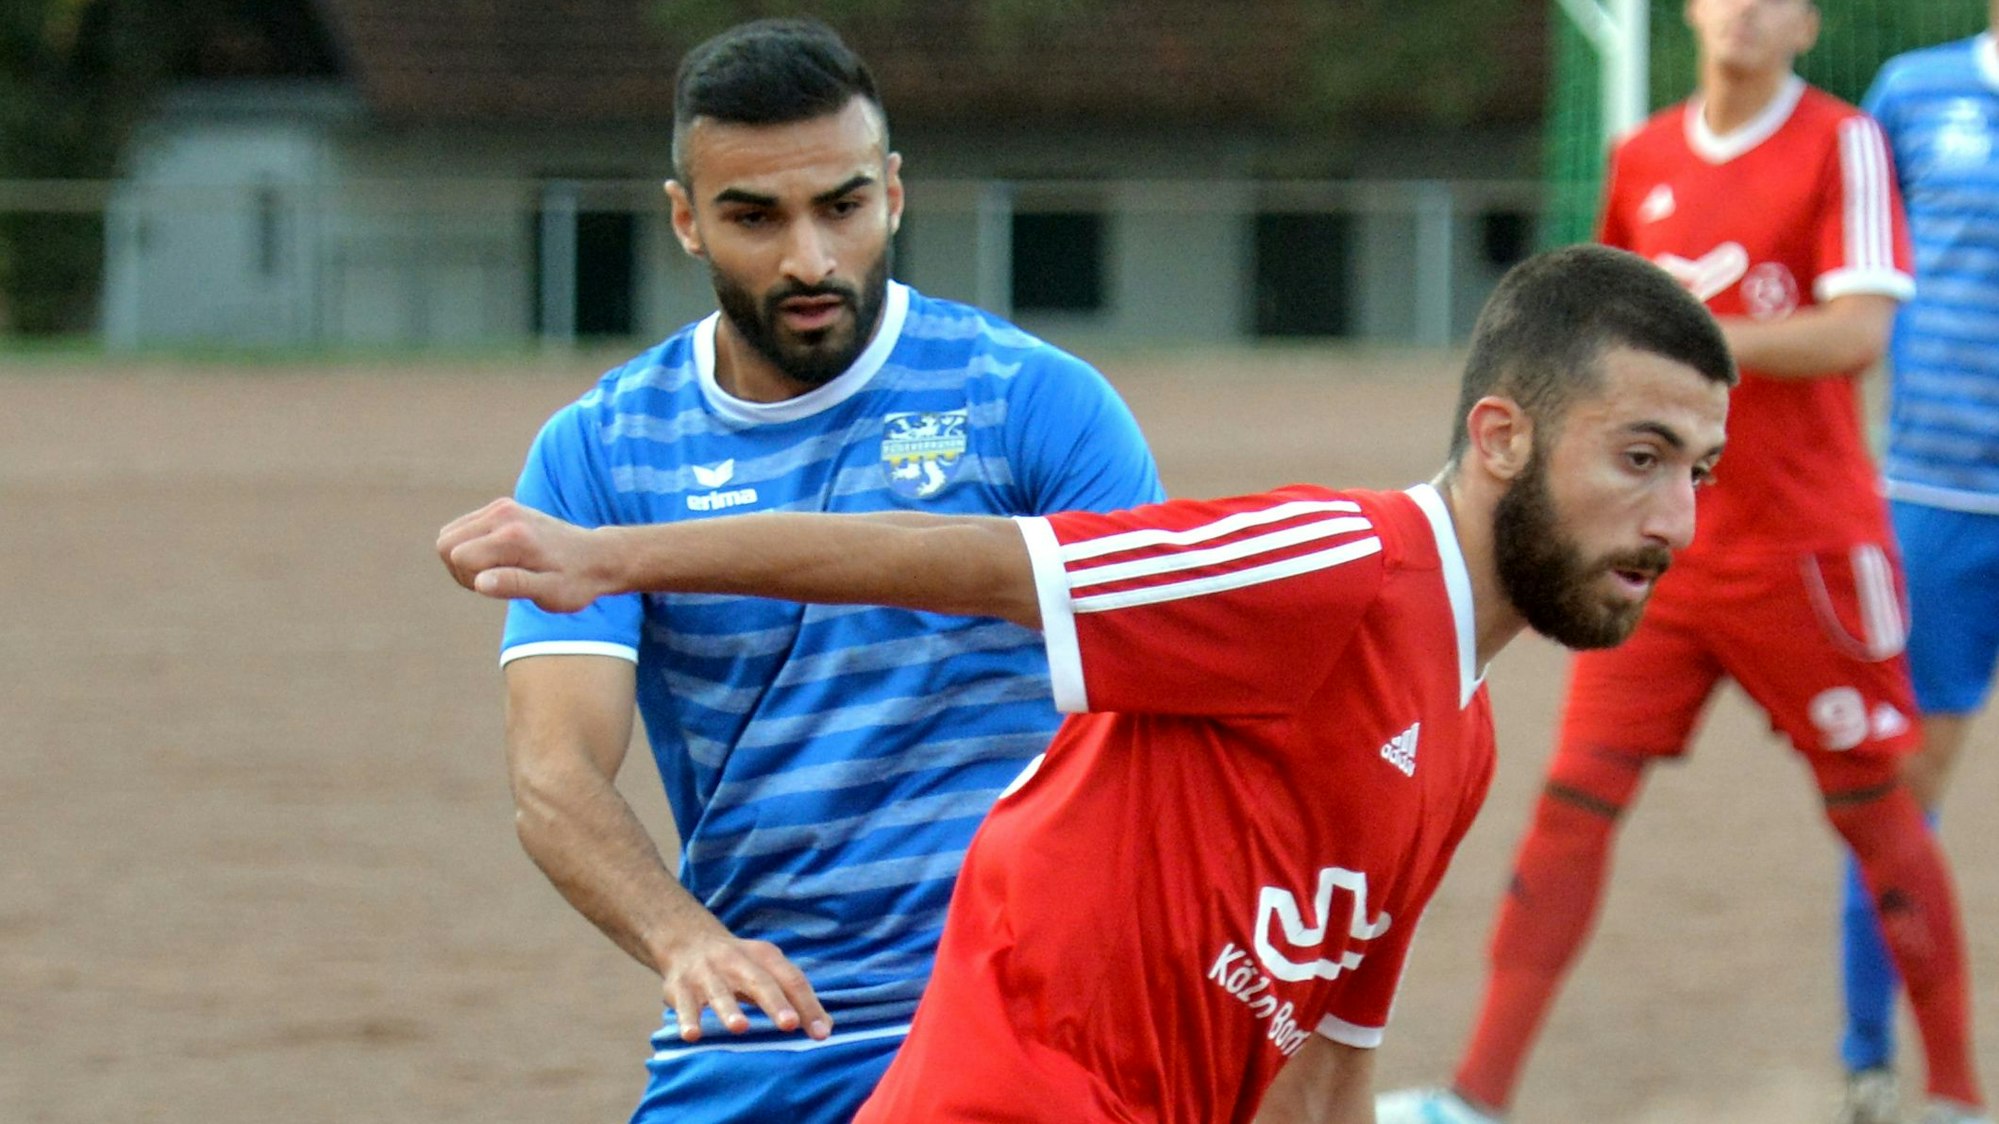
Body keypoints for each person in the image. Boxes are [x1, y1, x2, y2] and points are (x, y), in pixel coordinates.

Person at [440, 243, 1735, 1123]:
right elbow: (962, 560)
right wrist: (608, 554)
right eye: (1638, 455)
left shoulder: (1455, 739)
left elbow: (1327, 1065)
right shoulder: (1336, 565)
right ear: (1499, 436)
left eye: (1698, 472)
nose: (1672, 519)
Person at [483, 17, 1162, 1124]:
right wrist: (687, 940)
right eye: (755, 216)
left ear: (892, 191)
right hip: (769, 1024)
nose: (810, 258)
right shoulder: (599, 449)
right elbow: (554, 774)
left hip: (1029, 1007)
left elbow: (1167, 693)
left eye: (840, 206)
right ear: (685, 221)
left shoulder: (1034, 401)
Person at [1377, 3, 1992, 1123]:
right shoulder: (1642, 157)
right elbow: (1590, 343)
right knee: (1570, 801)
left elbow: (1857, 332)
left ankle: (1954, 1091)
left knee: (1878, 809)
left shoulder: (1841, 141)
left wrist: (1683, 345)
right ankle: (1475, 1095)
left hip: (1805, 555)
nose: (1743, 11)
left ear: (1805, 23)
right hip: (1653, 555)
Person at [1834, 10, 1999, 1120]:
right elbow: (1844, 263)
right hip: (1937, 505)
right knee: (1900, 792)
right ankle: (1869, 1056)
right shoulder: (1913, 91)